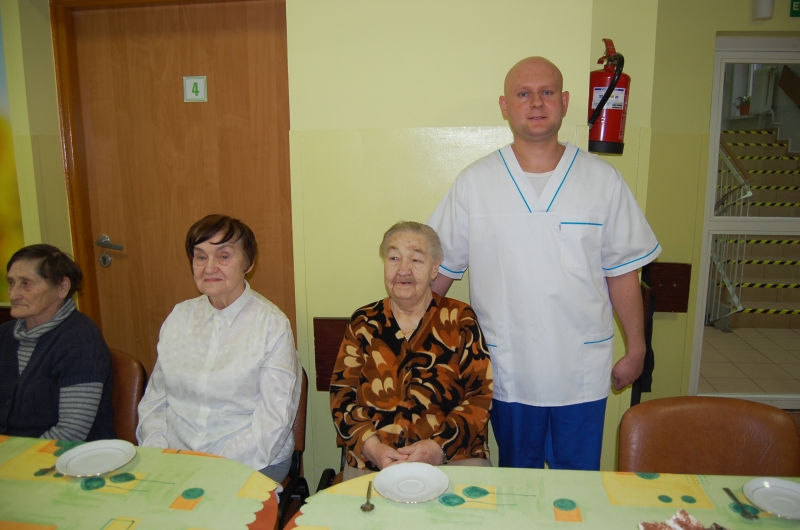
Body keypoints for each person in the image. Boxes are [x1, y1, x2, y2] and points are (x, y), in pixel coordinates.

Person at [427, 57, 661, 471]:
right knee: (518, 483)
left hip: (581, 369)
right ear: (505, 106)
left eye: (546, 92)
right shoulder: (475, 183)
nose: (536, 102)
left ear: (565, 101)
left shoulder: (602, 180)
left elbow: (623, 272)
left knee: (579, 485)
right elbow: (439, 273)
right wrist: (407, 344)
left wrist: (637, 348)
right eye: (523, 94)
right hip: (508, 369)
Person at [136, 215, 301, 482]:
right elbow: (155, 402)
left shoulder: (271, 325)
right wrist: (159, 455)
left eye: (223, 256)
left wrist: (208, 468)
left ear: (248, 263)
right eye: (200, 257)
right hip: (175, 457)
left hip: (251, 460)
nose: (209, 267)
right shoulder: (179, 317)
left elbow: (273, 422)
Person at [330, 221, 493, 480]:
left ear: (434, 269)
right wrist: (372, 447)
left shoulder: (460, 319)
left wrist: (438, 448)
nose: (403, 270)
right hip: (373, 460)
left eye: (416, 260)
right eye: (394, 258)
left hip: (454, 456)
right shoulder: (363, 323)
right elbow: (342, 395)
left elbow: (480, 396)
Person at [0, 244, 115, 441]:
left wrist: (15, 454)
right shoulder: (4, 335)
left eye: (26, 284)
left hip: (64, 453)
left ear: (62, 287)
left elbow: (70, 433)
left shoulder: (80, 340)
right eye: (12, 283)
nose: (13, 294)